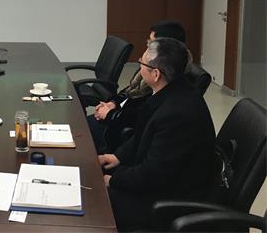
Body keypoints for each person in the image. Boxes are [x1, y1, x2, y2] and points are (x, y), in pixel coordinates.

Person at [99, 38, 215, 231]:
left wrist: (113, 180)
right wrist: (117, 157)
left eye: (142, 63)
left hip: (169, 203)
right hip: (160, 185)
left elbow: (151, 175)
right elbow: (142, 135)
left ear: (155, 74)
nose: (139, 65)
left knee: (95, 201)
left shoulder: (176, 114)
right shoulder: (171, 91)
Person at [88, 20, 188, 154]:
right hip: (119, 117)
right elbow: (130, 91)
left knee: (82, 134)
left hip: (121, 126)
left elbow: (141, 116)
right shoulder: (154, 67)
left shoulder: (165, 79)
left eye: (151, 44)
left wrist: (110, 114)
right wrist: (113, 103)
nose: (146, 49)